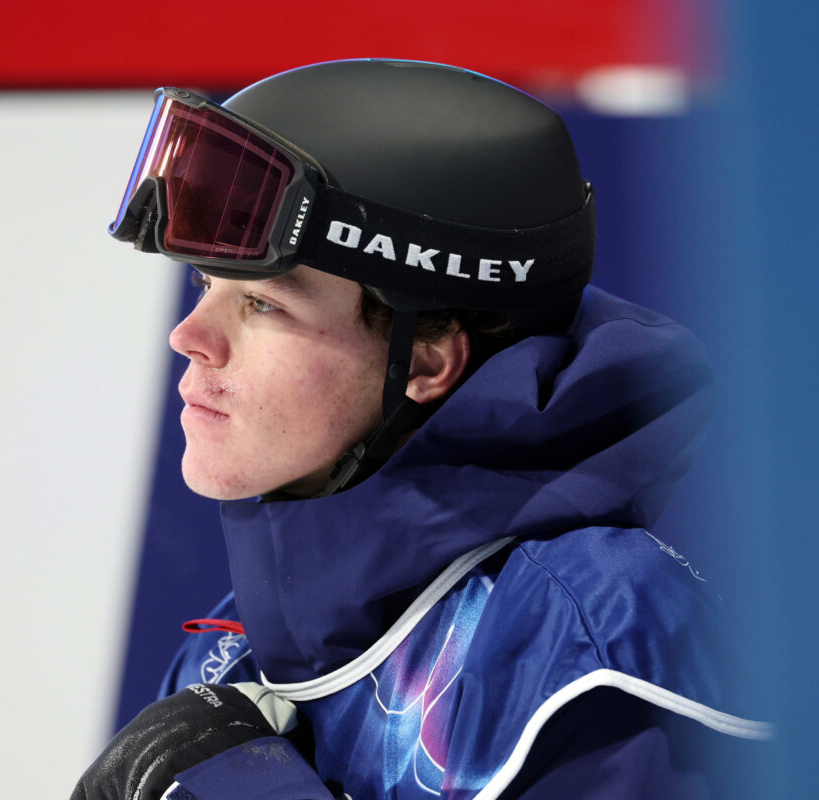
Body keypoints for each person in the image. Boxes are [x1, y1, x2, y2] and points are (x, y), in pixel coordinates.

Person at [74, 59, 770, 800]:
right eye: (204, 285)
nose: (189, 335)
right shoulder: (228, 654)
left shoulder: (595, 634)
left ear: (429, 361)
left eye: (264, 306)